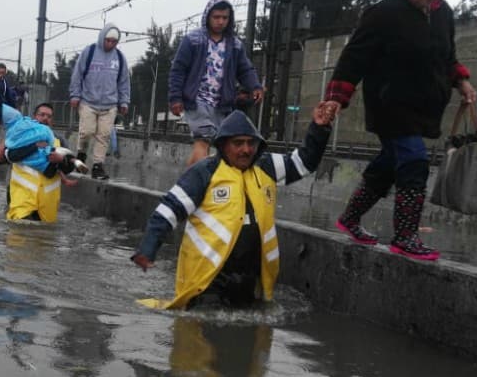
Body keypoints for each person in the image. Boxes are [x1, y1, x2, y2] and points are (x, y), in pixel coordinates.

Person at [323, 0, 477, 261]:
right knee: (413, 159)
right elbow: (354, 57)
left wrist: (461, 81)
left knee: (390, 164)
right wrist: (337, 98)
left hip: (423, 106)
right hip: (389, 102)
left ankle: (350, 219)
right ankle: (405, 236)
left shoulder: (443, 14)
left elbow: (447, 57)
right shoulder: (385, 13)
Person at [131, 103, 336, 310]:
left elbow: (304, 163)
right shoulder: (204, 172)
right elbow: (167, 212)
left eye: (250, 143)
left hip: (250, 279)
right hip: (208, 281)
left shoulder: (266, 167)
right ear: (223, 145)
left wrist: (319, 129)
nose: (246, 150)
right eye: (238, 143)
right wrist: (147, 250)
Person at [169, 0, 263, 167]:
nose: (220, 22)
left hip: (222, 104)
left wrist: (255, 86)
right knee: (203, 140)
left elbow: (245, 69)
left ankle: (192, 182)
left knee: (222, 147)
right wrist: (175, 98)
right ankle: (194, 187)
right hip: (197, 101)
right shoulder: (193, 40)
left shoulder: (234, 45)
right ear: (208, 17)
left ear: (230, 18)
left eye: (225, 18)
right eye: (216, 17)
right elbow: (178, 69)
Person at [5, 102, 88, 222]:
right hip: (22, 197)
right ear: (34, 117)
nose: (45, 118)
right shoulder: (20, 135)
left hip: (46, 202)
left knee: (42, 235)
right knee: (18, 234)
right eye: (42, 115)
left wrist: (61, 160)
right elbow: (10, 156)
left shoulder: (59, 140)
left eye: (49, 116)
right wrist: (35, 146)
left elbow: (68, 168)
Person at [69, 23, 131, 180]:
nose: (110, 44)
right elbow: (77, 74)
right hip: (88, 101)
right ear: (102, 38)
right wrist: (75, 95)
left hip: (110, 104)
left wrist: (124, 101)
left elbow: (124, 81)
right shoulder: (89, 52)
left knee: (103, 136)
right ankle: (81, 154)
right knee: (87, 131)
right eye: (108, 40)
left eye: (114, 42)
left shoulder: (119, 58)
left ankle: (98, 166)